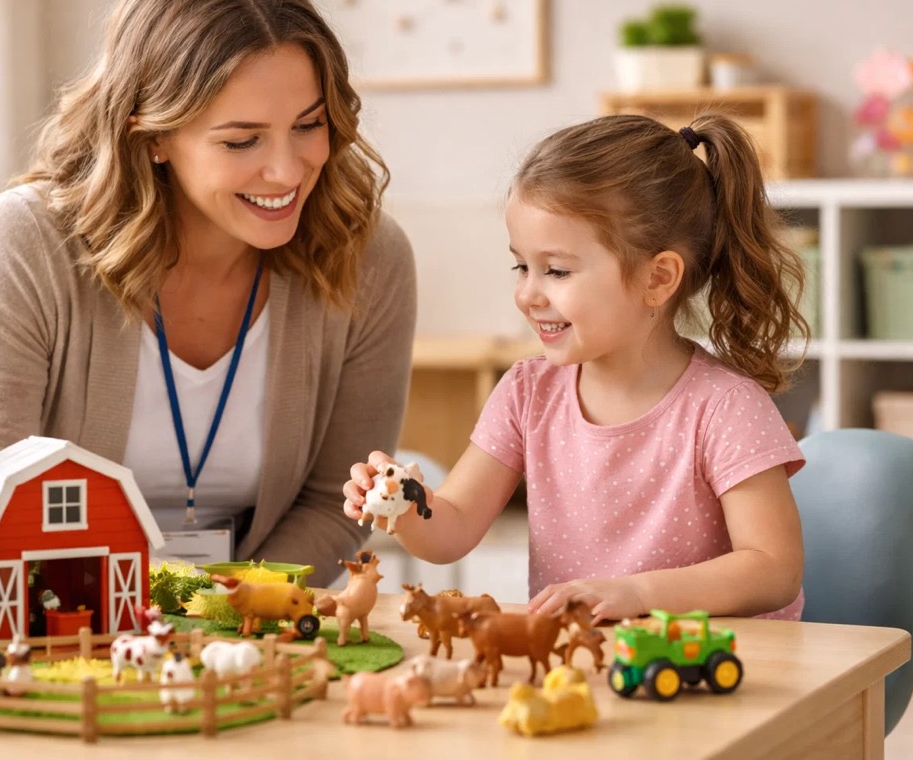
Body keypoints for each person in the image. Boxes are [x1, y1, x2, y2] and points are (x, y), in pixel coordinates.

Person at [0, 0, 416, 582]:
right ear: (152, 137)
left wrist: (226, 611)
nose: (288, 171)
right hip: (55, 617)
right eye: (242, 141)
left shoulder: (368, 256)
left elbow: (336, 503)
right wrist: (135, 619)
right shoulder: (20, 246)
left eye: (309, 125)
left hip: (249, 627)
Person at [344, 114, 808, 621]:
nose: (527, 294)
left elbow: (773, 569)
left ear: (658, 278)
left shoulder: (725, 407)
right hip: (580, 663)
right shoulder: (527, 393)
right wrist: (405, 508)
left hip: (707, 668)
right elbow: (451, 526)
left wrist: (638, 595)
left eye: (557, 271)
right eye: (522, 266)